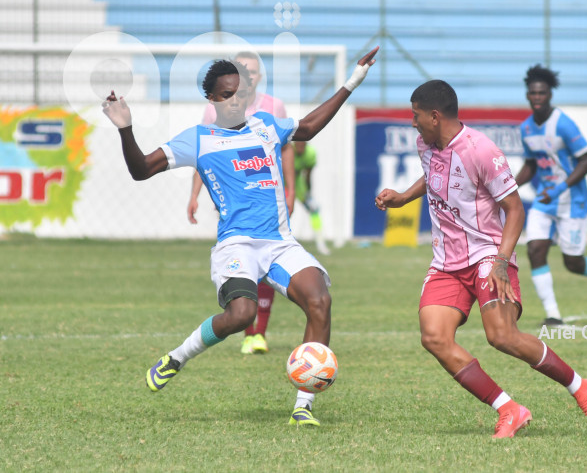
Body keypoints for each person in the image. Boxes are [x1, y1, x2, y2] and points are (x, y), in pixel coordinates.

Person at [102, 46, 379, 427]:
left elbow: (310, 127)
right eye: (227, 94)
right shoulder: (197, 139)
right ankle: (176, 358)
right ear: (212, 98)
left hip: (279, 243)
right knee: (241, 314)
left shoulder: (266, 125)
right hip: (237, 244)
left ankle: (303, 406)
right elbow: (140, 170)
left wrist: (353, 81)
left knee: (320, 301)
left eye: (241, 93)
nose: (236, 100)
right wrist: (125, 127)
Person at [375, 80, 587, 439]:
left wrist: (501, 261)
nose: (412, 123)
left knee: (502, 336)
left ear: (435, 116)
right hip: (445, 261)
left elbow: (515, 210)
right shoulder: (426, 142)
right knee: (434, 337)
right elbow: (434, 173)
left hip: (487, 253)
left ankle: (580, 386)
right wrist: (405, 197)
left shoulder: (481, 150)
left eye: (416, 115)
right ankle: (509, 409)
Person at [187, 51, 295, 356]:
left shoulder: (273, 107)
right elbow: (203, 152)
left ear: (258, 78)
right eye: (242, 69)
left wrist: (291, 189)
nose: (247, 75)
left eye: (253, 71)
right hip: (234, 199)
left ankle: (258, 331)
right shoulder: (219, 106)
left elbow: (287, 148)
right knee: (245, 262)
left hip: (267, 195)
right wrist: (195, 193)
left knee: (269, 260)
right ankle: (250, 332)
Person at [515, 64, 587, 327]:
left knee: (573, 263)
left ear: (550, 95)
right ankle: (553, 315)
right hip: (545, 201)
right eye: (533, 93)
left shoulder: (563, 124)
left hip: (572, 201)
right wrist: (510, 186)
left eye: (542, 93)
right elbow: (532, 165)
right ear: (527, 95)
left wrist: (560, 188)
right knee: (534, 249)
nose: (537, 98)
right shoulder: (526, 129)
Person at [292, 140, 329, 256]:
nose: (300, 148)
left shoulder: (310, 153)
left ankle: (320, 242)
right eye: (298, 144)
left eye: (303, 145)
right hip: (283, 184)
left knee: (314, 209)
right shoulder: (287, 149)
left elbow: (308, 174)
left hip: (298, 184)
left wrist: (308, 192)